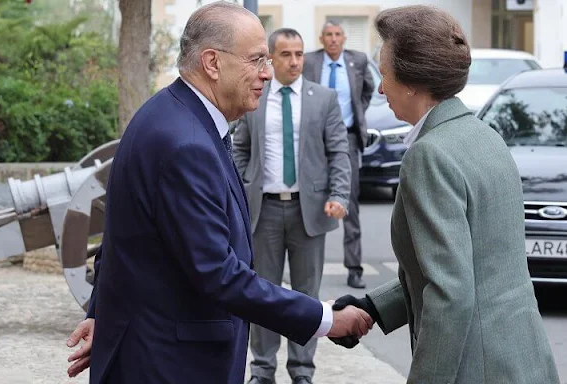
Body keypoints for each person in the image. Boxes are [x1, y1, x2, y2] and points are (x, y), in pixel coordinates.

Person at [64, 3, 373, 383]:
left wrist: (102, 313)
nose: (266, 73)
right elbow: (219, 273)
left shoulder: (171, 114)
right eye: (257, 59)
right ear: (212, 63)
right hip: (171, 364)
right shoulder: (185, 143)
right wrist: (325, 318)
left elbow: (121, 241)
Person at [330, 5, 561, 384]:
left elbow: (450, 295)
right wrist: (375, 306)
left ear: (412, 81)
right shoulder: (483, 136)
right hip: (521, 359)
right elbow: (475, 266)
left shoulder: (429, 154)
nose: (382, 88)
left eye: (384, 74)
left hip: (476, 366)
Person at [232, 28, 351, 384]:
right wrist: (237, 190)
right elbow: (240, 149)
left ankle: (301, 371)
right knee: (261, 293)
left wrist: (339, 195)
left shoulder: (323, 98)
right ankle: (262, 370)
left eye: (299, 54)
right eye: (286, 55)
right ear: (271, 57)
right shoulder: (257, 97)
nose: (295, 61)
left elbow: (339, 153)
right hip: (263, 211)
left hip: (309, 212)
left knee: (306, 294)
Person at [303, 20, 374, 289]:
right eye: (328, 35)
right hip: (313, 137)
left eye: (337, 35)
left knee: (349, 202)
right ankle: (306, 267)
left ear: (344, 38)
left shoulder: (358, 61)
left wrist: (357, 113)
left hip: (346, 136)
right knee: (308, 195)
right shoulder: (310, 61)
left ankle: (354, 268)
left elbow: (367, 91)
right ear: (321, 38)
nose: (333, 39)